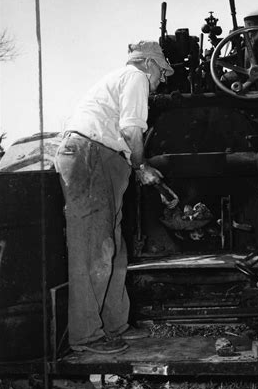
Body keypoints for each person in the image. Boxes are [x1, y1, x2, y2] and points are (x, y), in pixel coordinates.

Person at [55, 41, 174, 354]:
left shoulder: (119, 82)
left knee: (113, 249)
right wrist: (142, 165)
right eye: (162, 72)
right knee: (94, 248)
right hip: (91, 156)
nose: (162, 80)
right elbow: (132, 130)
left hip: (103, 158)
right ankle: (86, 337)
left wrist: (135, 168)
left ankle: (114, 325)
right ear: (149, 63)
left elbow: (123, 138)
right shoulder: (135, 77)